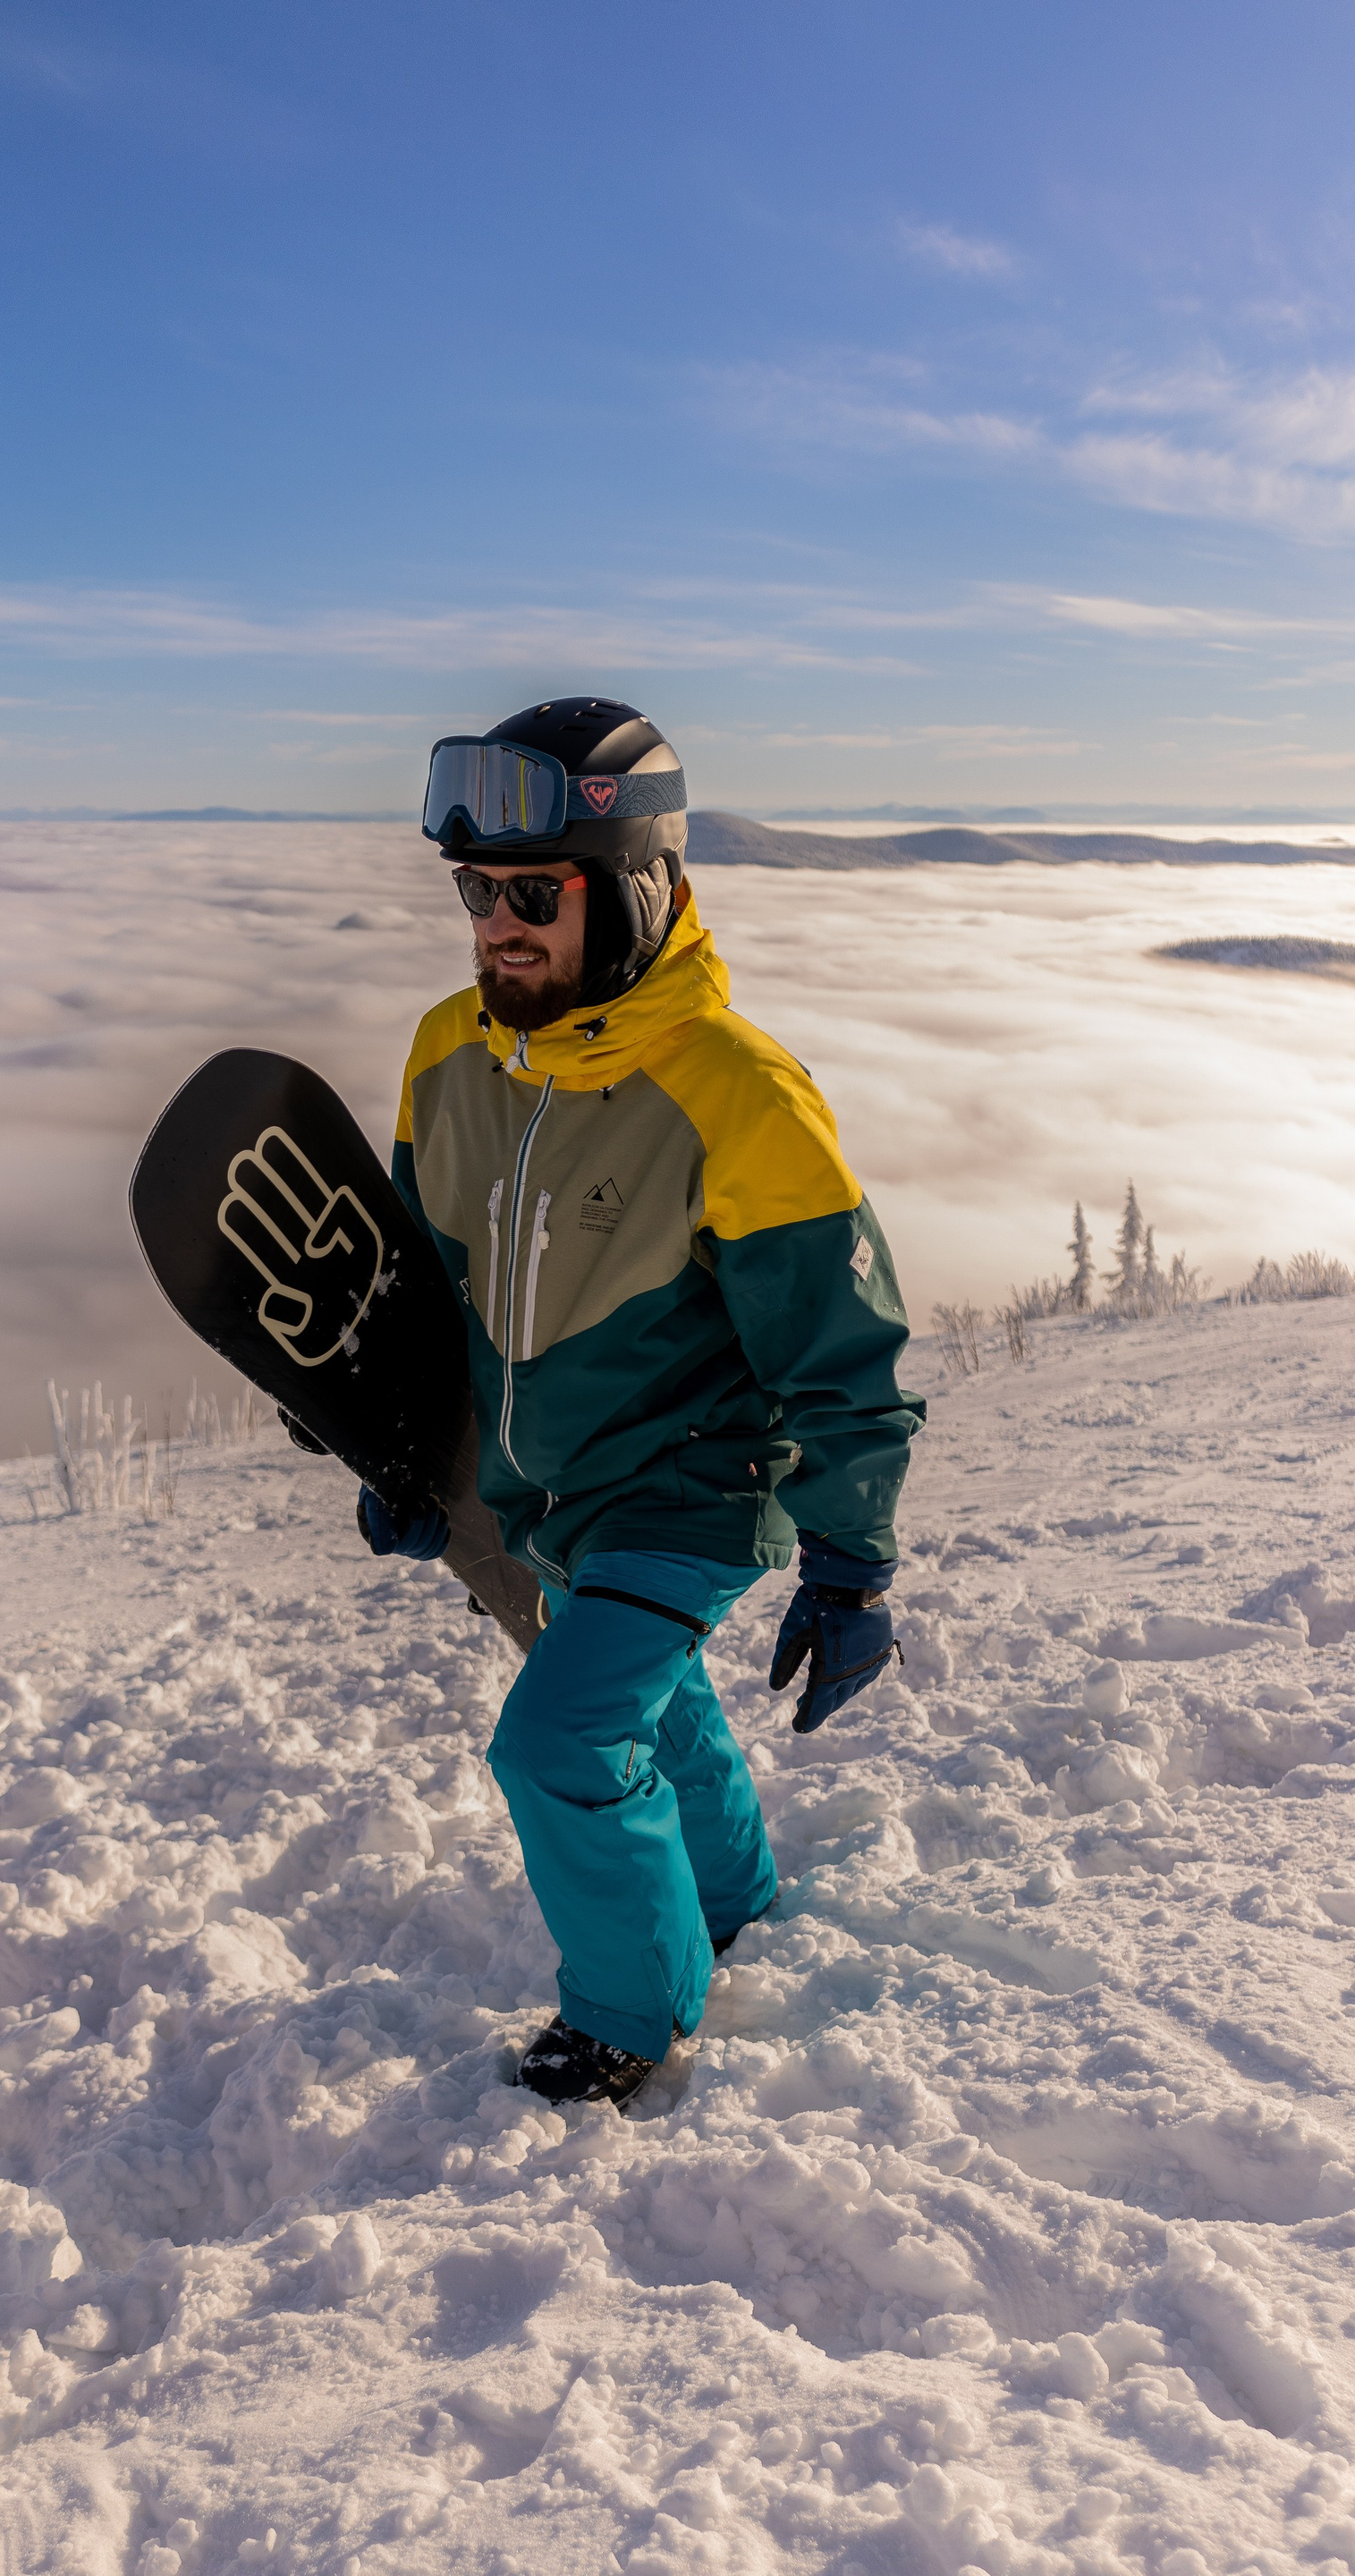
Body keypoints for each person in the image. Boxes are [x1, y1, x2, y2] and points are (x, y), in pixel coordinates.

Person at [358, 697, 924, 2108]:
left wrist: (851, 1561)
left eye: (532, 895)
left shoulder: (737, 1093)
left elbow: (839, 1343)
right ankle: (736, 1902)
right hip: (547, 1487)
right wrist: (413, 1455)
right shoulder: (447, 1054)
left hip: (693, 1488)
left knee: (558, 1740)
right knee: (653, 1712)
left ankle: (631, 2015)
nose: (497, 926)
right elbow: (423, 1289)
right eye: (477, 891)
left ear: (635, 887)